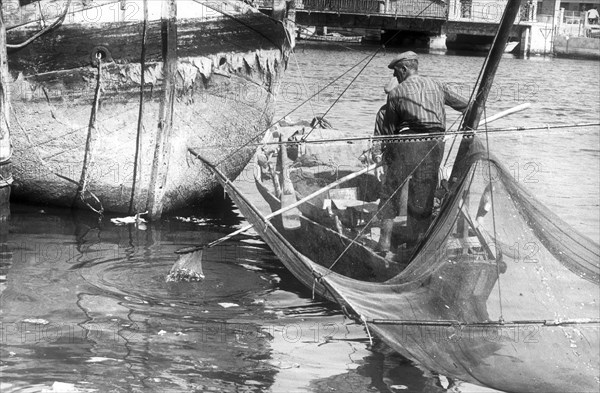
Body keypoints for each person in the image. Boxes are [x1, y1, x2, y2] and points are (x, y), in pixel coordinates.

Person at [375, 51, 469, 253]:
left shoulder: (396, 93)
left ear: (404, 69)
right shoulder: (438, 85)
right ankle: (417, 248)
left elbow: (389, 134)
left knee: (391, 192)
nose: (396, 78)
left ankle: (383, 244)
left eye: (396, 73)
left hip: (407, 145)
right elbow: (468, 106)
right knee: (423, 195)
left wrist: (386, 158)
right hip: (435, 145)